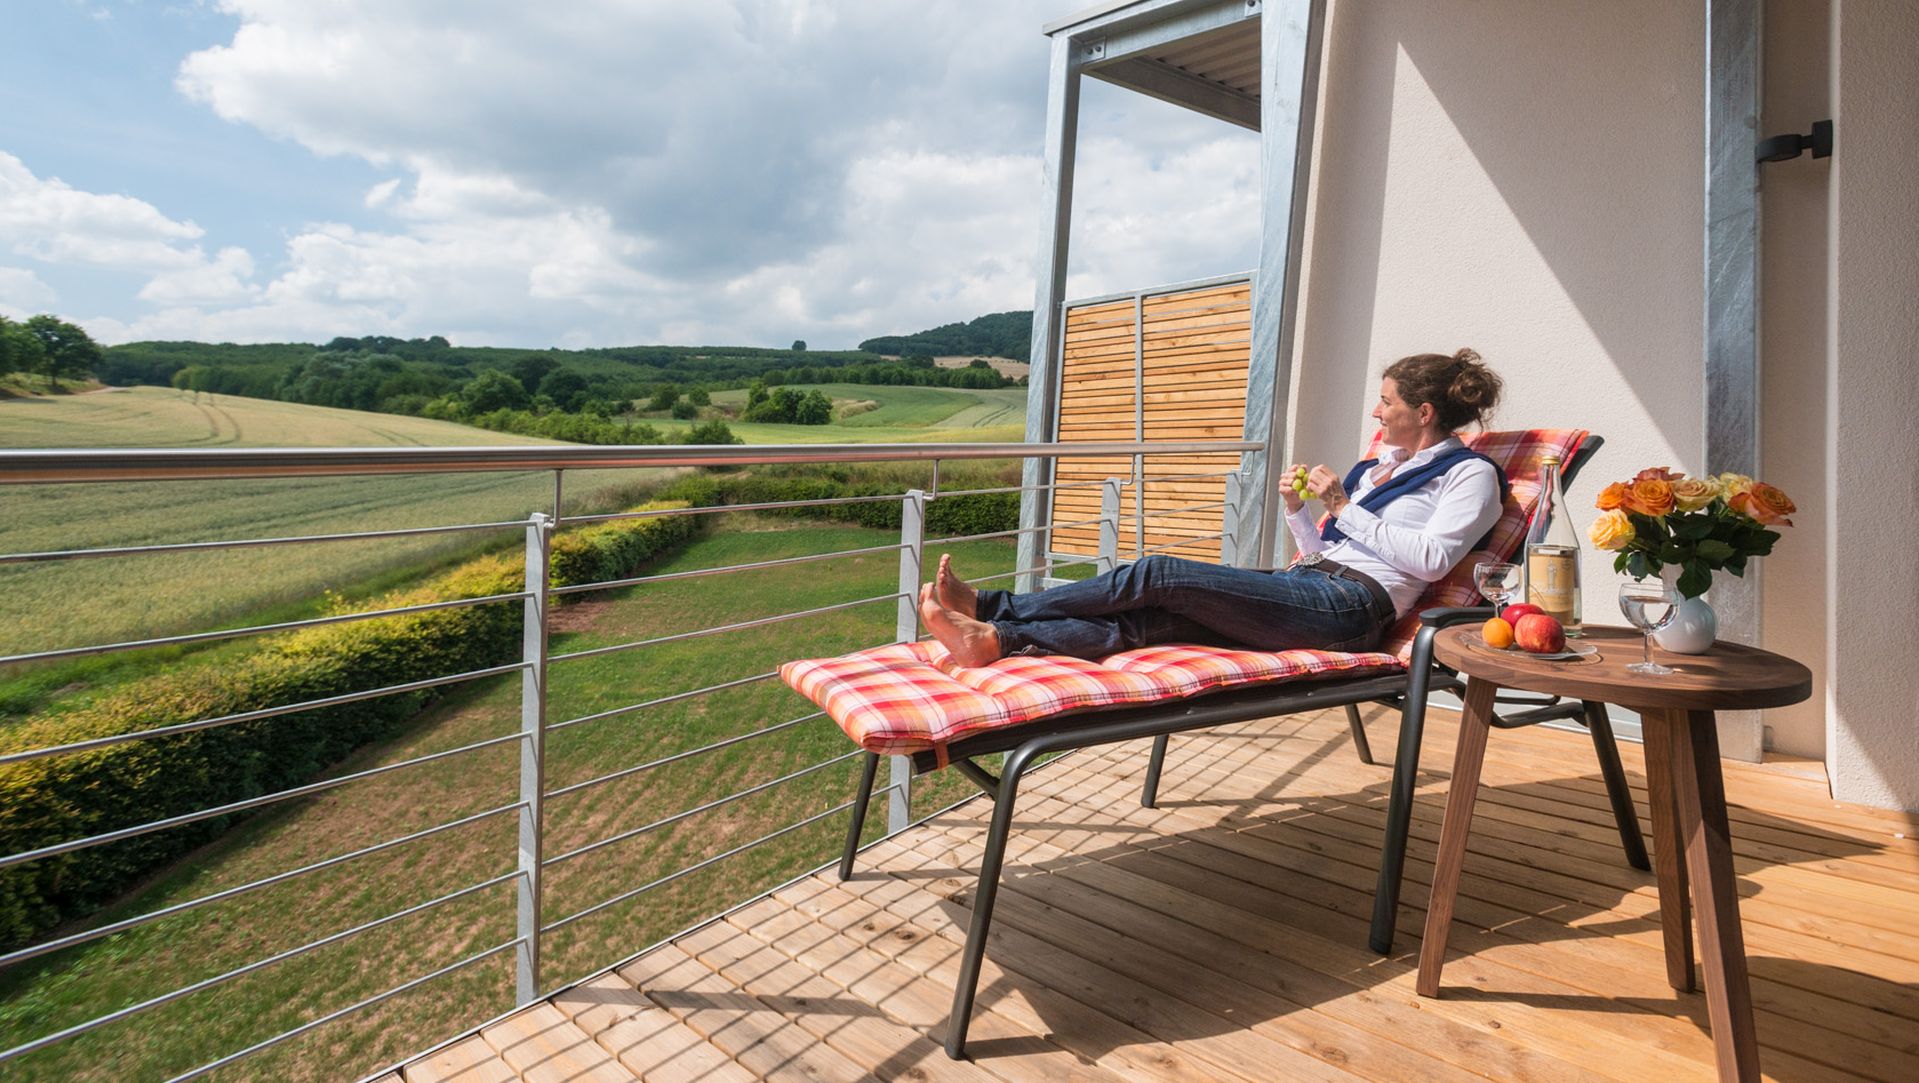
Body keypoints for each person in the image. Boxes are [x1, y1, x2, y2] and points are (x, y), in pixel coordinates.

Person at [918, 348, 1511, 666]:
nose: (1376, 414)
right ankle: (995, 641)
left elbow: (1432, 561)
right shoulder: (1384, 466)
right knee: (1148, 622)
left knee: (1158, 573)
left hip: (1351, 612)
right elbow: (1324, 553)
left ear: (1424, 412)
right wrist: (1300, 513)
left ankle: (997, 607)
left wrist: (1342, 503)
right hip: (1313, 588)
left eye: (1385, 403)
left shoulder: (1470, 476)